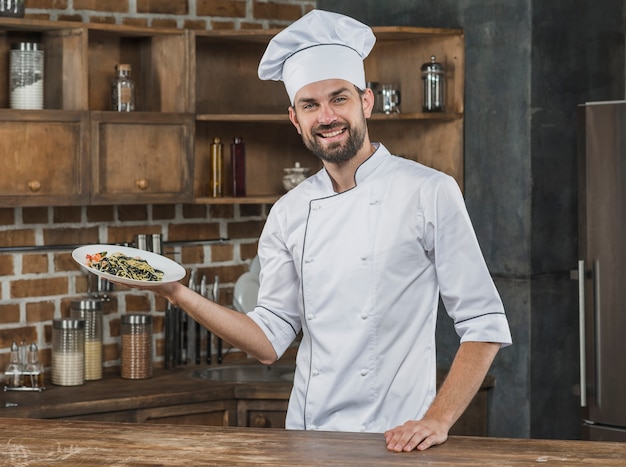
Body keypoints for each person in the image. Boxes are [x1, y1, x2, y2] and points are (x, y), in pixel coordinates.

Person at [136, 9, 512, 452]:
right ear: (295, 118)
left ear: (365, 102)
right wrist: (178, 293)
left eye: (339, 99)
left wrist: (437, 420)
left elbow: (483, 323)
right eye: (310, 105)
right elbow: (268, 342)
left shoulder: (428, 191)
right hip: (308, 438)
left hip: (395, 440)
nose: (327, 116)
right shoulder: (289, 212)